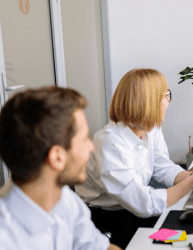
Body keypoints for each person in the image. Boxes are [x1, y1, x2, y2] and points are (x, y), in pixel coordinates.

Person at [75, 69, 193, 248]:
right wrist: (191, 183)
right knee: (182, 242)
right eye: (166, 95)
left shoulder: (150, 128)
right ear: (148, 101)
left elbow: (163, 167)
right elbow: (144, 204)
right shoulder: (110, 144)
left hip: (135, 210)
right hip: (110, 222)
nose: (168, 101)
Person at [0, 87, 120, 250]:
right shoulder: (6, 239)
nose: (91, 147)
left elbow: (101, 247)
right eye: (84, 139)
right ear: (57, 157)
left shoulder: (66, 201)